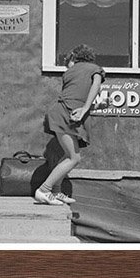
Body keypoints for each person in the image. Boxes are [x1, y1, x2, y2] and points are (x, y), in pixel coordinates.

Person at [35, 44, 104, 206]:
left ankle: (56, 192)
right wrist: (87, 107)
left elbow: (75, 100)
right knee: (74, 157)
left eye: (68, 60)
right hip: (66, 114)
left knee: (68, 155)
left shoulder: (70, 73)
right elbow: (95, 85)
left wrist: (90, 107)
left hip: (61, 113)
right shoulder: (95, 70)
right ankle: (44, 190)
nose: (68, 64)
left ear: (74, 57)